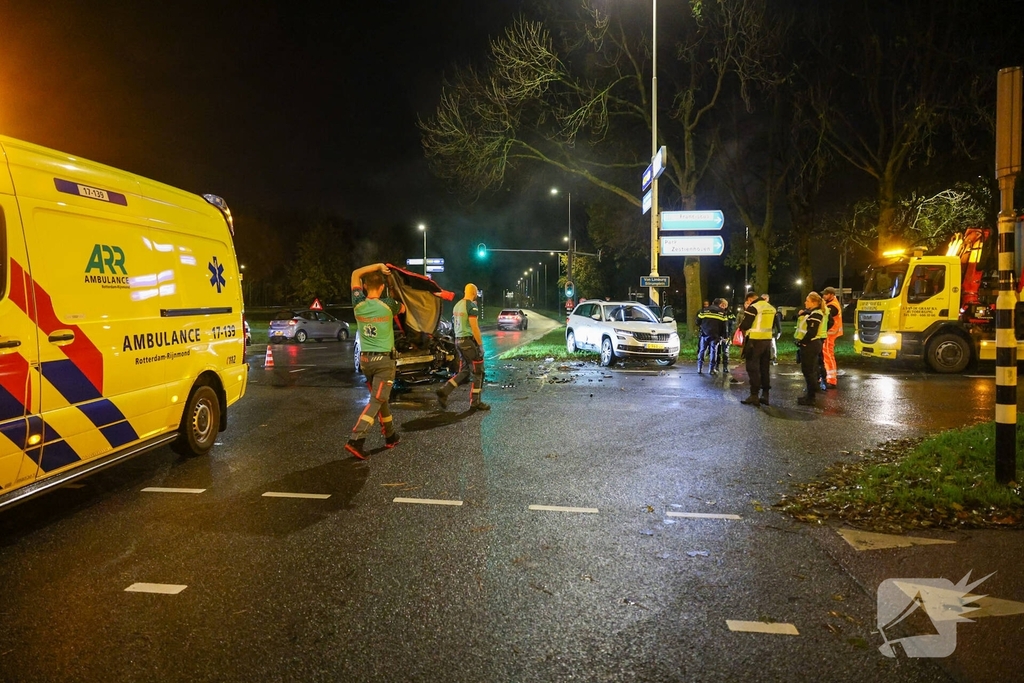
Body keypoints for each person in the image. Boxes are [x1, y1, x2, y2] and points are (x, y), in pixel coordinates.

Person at [346, 263, 406, 460]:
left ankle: (390, 436)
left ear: (363, 287)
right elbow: (404, 308)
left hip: (366, 361)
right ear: (381, 287)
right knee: (377, 400)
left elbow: (355, 272)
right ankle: (356, 439)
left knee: (381, 398)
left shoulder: (358, 304)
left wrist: (377, 266)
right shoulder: (389, 305)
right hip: (384, 363)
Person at [437, 283, 490, 411]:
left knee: (465, 371)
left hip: (458, 342)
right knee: (478, 371)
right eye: (476, 293)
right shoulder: (471, 306)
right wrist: (480, 345)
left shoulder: (457, 305)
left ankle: (444, 391)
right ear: (473, 293)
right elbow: (474, 327)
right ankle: (475, 402)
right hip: (468, 342)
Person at [738, 291, 777, 406]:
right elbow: (773, 325)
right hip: (767, 341)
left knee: (753, 368)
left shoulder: (753, 308)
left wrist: (745, 313)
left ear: (750, 299)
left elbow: (745, 325)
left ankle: (754, 395)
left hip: (754, 342)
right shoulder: (771, 308)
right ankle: (765, 394)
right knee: (764, 368)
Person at [794, 291, 828, 405]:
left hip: (811, 344)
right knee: (808, 370)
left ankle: (811, 396)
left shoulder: (816, 313)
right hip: (811, 344)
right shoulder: (812, 312)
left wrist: (803, 342)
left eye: (807, 301)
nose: (805, 302)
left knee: (808, 371)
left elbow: (812, 331)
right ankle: (810, 394)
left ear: (813, 302)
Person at [821, 286, 844, 389]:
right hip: (829, 334)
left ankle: (831, 379)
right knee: (826, 356)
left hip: (830, 334)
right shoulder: (830, 303)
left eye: (825, 294)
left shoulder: (833, 306)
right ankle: (827, 377)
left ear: (831, 294)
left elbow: (825, 313)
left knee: (828, 356)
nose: (823, 296)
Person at [711, 298, 736, 375]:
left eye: (725, 305)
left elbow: (732, 324)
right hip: (718, 335)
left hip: (726, 335)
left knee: (725, 352)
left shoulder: (729, 313)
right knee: (717, 351)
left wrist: (730, 335)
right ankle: (716, 366)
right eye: (722, 305)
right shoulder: (716, 313)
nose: (724, 306)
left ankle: (725, 367)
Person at [764, 293, 782, 365]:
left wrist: (779, 330)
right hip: (761, 332)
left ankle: (774, 358)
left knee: (772, 345)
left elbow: (776, 320)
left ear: (768, 299)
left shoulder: (771, 309)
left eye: (765, 299)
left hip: (770, 331)